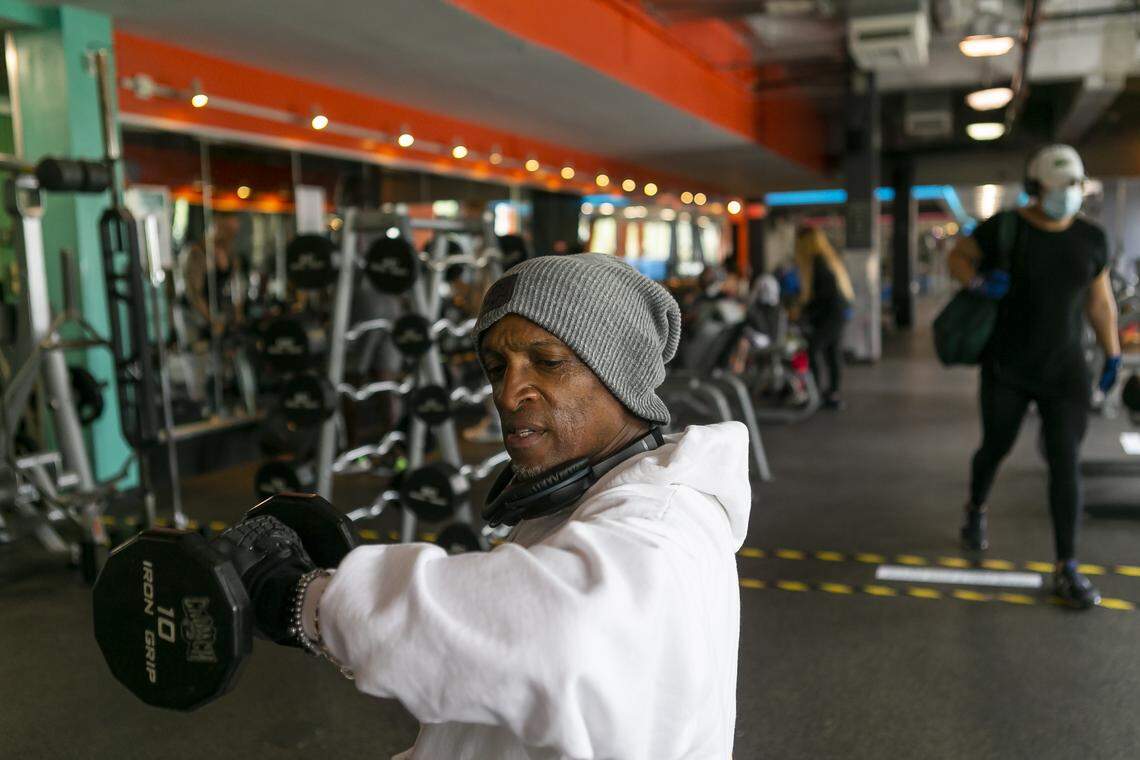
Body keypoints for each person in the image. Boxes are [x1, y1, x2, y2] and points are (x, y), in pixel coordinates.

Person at [230, 253, 752, 758]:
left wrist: (306, 600)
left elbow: (546, 634)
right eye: (497, 367)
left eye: (547, 362)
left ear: (621, 377)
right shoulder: (581, 498)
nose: (508, 393)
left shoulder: (659, 532)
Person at [947, 144, 1121, 609]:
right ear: (1034, 189)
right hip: (1007, 367)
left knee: (1065, 459)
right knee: (996, 447)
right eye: (1057, 186)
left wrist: (1112, 354)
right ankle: (975, 507)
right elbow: (957, 258)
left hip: (1065, 371)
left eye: (1073, 186)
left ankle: (1066, 566)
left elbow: (1099, 301)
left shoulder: (1091, 239)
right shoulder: (1004, 228)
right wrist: (977, 281)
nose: (1067, 194)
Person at [794, 227, 854, 409]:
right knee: (832, 352)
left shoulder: (818, 263)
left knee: (813, 350)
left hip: (832, 314)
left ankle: (816, 393)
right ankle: (831, 394)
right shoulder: (827, 259)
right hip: (838, 313)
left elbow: (821, 297)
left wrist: (803, 313)